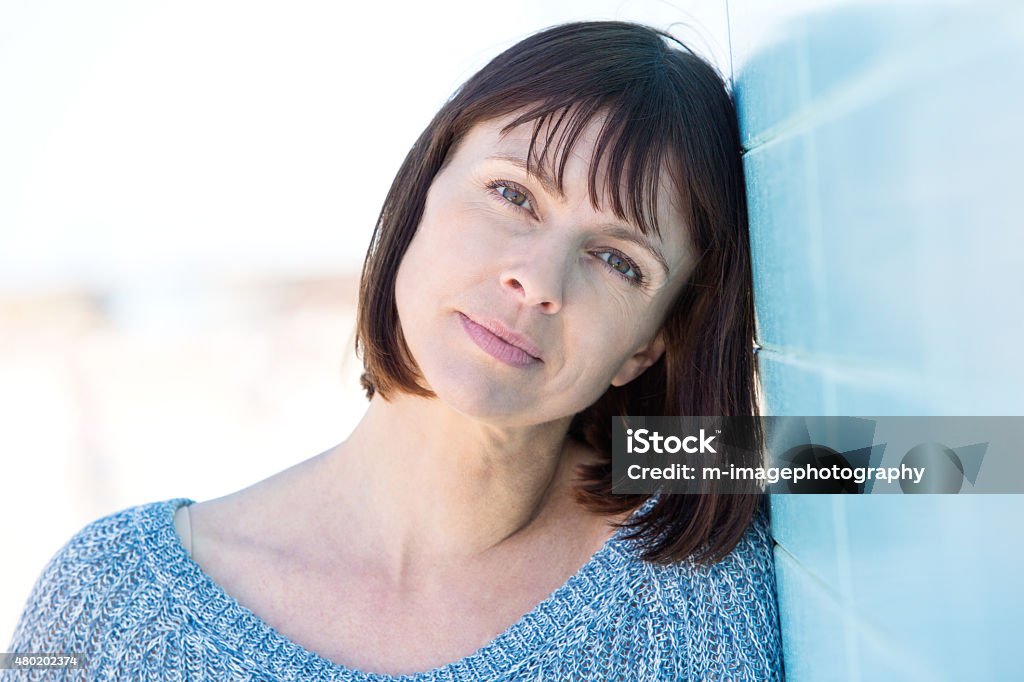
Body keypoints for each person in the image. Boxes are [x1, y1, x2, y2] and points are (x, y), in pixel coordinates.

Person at [7, 21, 783, 680]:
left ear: (648, 346)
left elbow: (892, 458)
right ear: (419, 198)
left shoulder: (701, 535)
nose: (537, 280)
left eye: (619, 260)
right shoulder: (115, 599)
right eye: (513, 195)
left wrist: (676, 451)